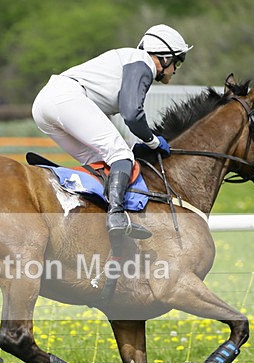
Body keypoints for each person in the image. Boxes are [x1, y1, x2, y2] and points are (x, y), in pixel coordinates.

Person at [32, 24, 192, 239]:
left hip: (44, 105)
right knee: (121, 155)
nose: (175, 71)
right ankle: (116, 216)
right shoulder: (142, 62)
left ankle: (90, 217)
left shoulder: (128, 61)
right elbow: (132, 115)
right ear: (164, 57)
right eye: (177, 63)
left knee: (102, 163)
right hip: (65, 98)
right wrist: (153, 141)